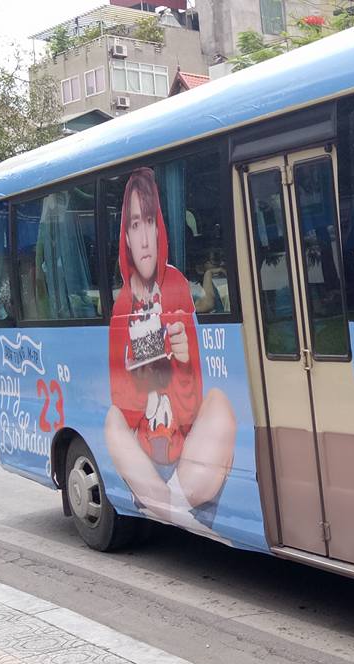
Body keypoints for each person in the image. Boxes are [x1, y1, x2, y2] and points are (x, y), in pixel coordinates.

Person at [104, 167, 236, 533]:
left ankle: (170, 504)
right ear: (126, 237)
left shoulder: (176, 284)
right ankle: (175, 509)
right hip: (144, 456)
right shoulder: (122, 305)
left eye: (149, 221)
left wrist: (184, 361)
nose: (145, 237)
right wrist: (143, 372)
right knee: (112, 419)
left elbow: (192, 409)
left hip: (187, 457)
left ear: (159, 227)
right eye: (135, 224)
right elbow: (125, 409)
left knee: (220, 403)